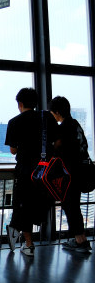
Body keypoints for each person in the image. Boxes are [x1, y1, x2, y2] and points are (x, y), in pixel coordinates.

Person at [5, 88, 60, 256]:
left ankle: (29, 244)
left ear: (20, 104)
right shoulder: (47, 118)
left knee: (22, 206)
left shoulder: (14, 122)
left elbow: (13, 150)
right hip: (46, 171)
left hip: (25, 171)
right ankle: (34, 240)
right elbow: (57, 142)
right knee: (41, 204)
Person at [49, 96, 92, 253]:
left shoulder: (64, 127)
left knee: (70, 205)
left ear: (57, 112)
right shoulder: (75, 124)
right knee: (74, 205)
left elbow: (57, 147)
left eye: (52, 112)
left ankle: (80, 241)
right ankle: (80, 239)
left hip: (71, 173)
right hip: (82, 171)